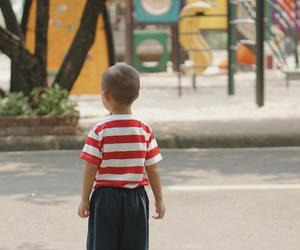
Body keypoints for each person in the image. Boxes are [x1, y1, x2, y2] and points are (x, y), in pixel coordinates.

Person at [78, 63, 165, 250]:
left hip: (105, 199)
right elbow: (152, 168)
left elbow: (90, 167)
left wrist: (85, 199)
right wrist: (159, 199)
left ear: (106, 96)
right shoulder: (144, 129)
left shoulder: (100, 129)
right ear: (137, 95)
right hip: (136, 199)